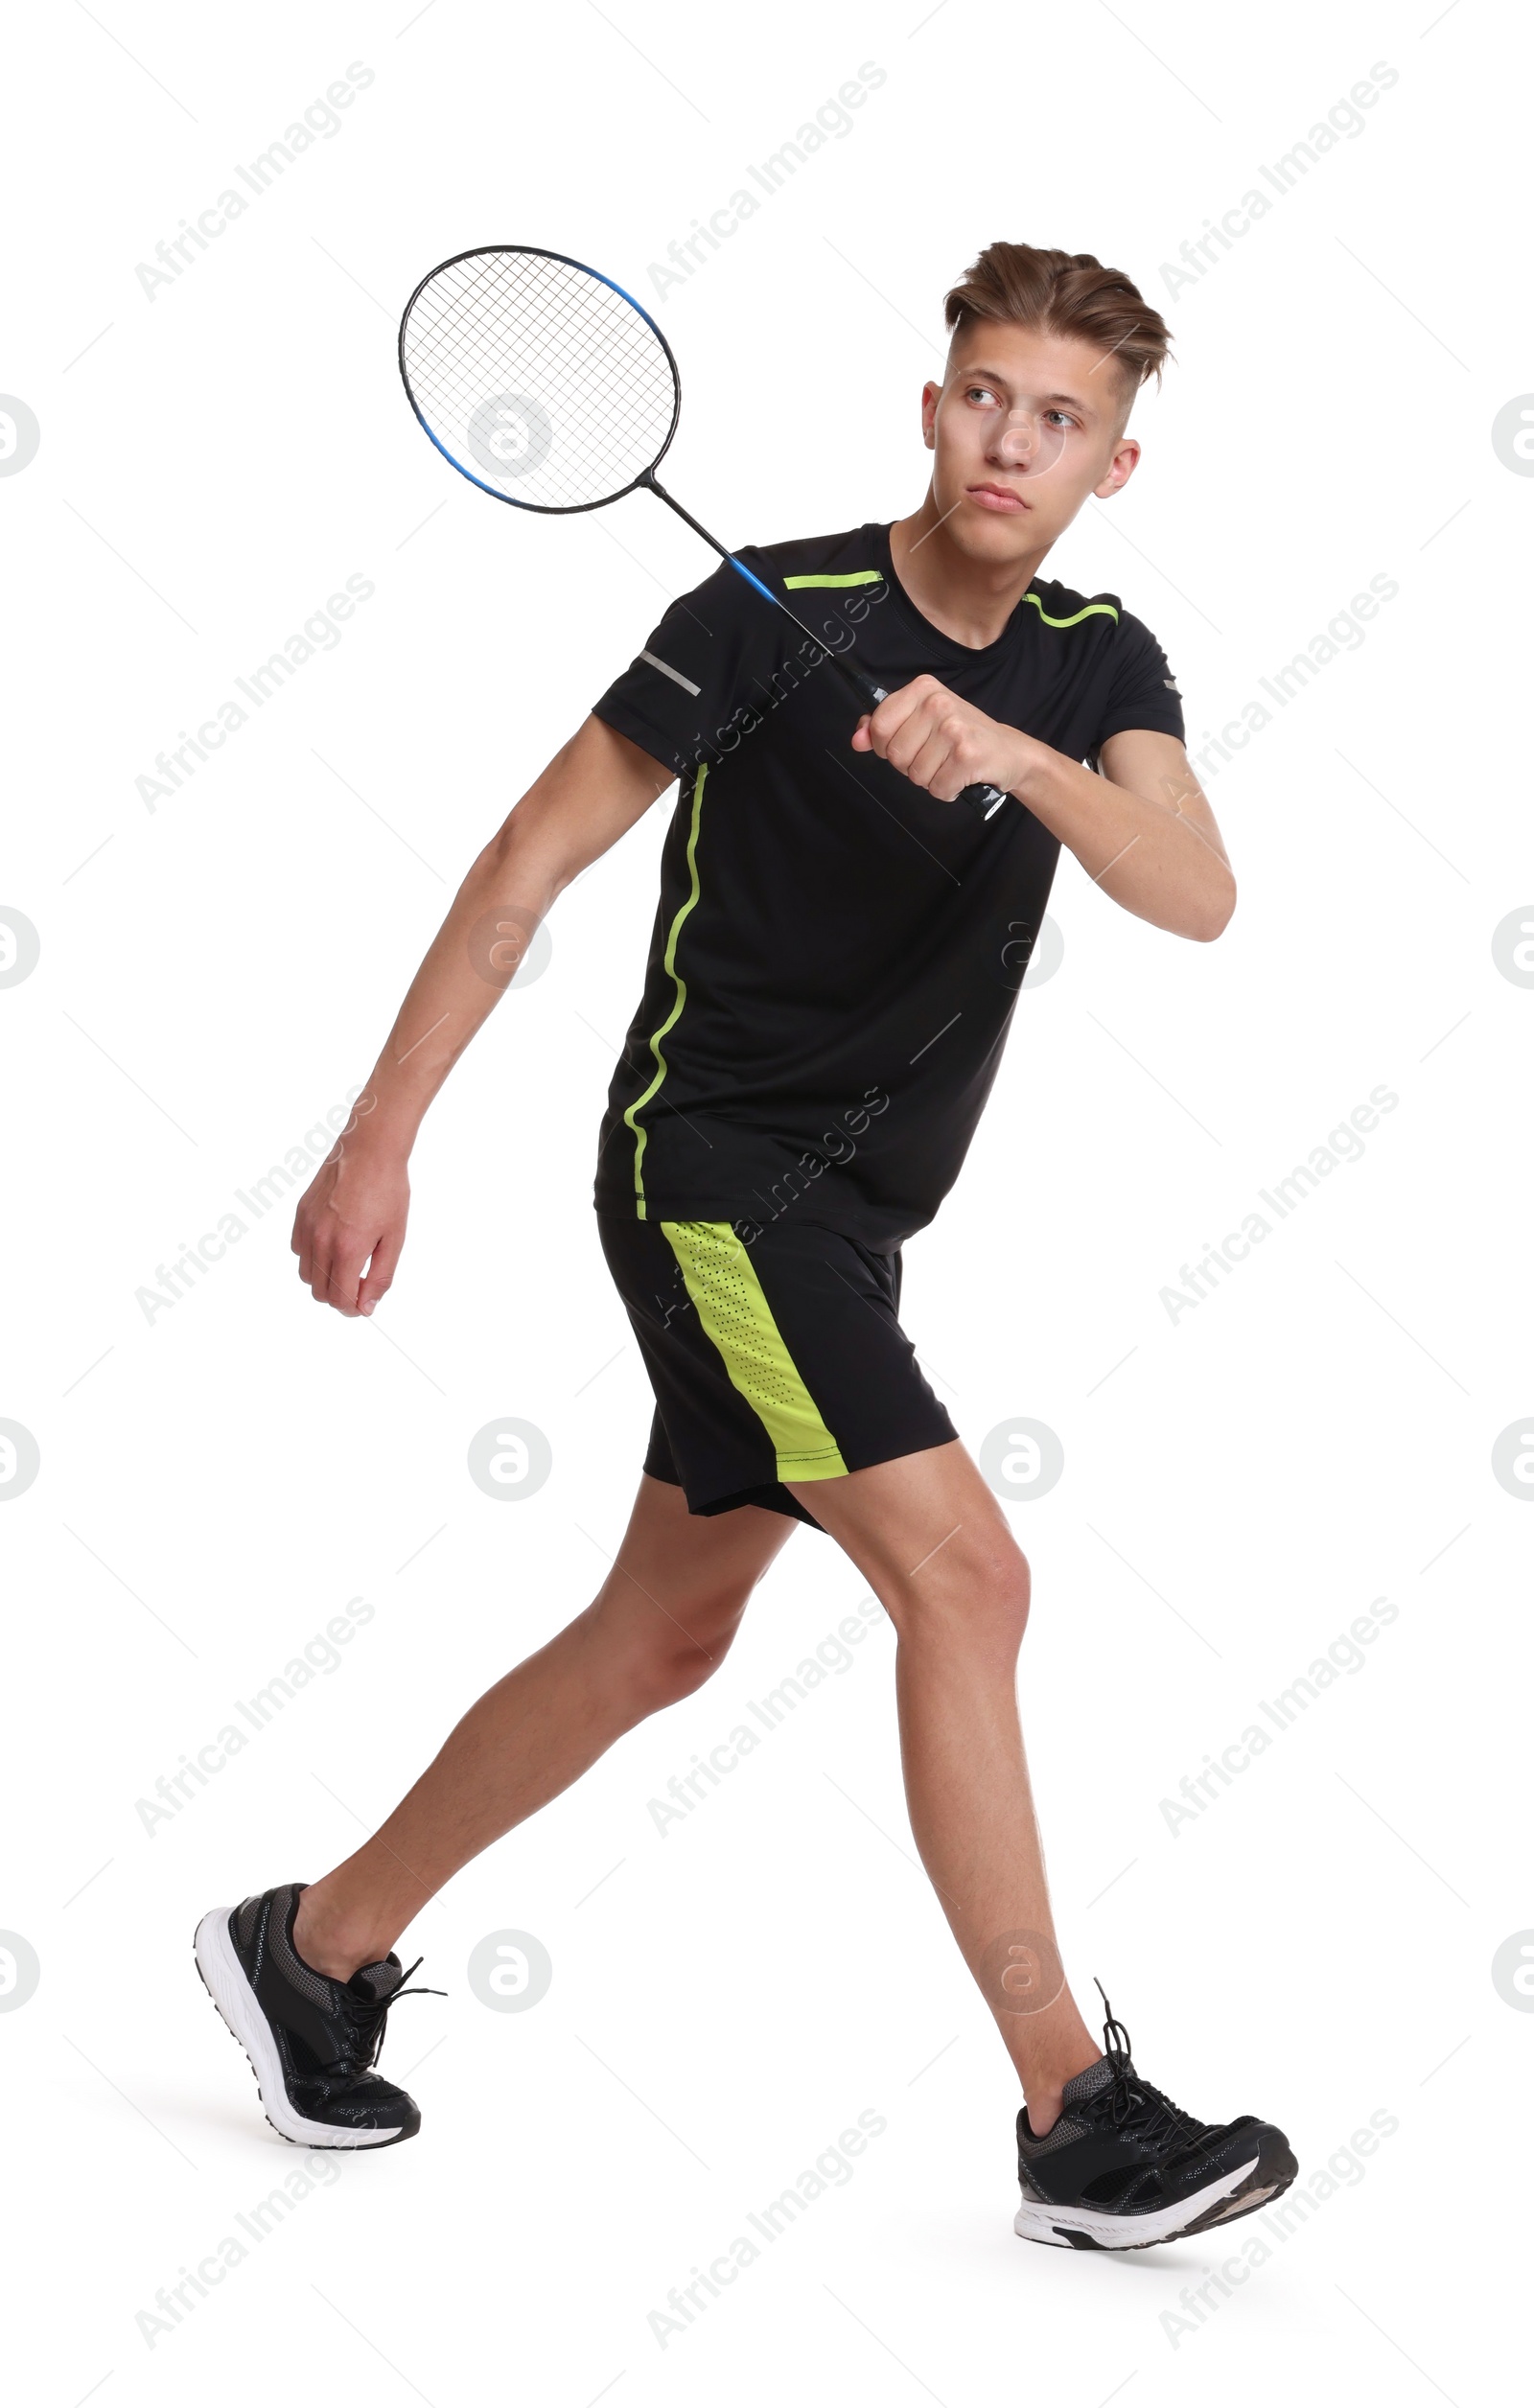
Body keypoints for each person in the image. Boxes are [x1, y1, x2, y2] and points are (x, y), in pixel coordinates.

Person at [196, 240, 1295, 2250]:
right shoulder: (764, 608)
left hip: (855, 1224)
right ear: (929, 400)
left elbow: (1196, 887)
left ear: (1110, 467)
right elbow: (527, 859)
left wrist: (1011, 752)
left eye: (1059, 419)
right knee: (967, 1577)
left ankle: (311, 1941)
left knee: (660, 1632)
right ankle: (1072, 2106)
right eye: (982, 391)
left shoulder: (1096, 659)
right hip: (712, 1178)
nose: (1007, 440)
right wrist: (379, 1135)